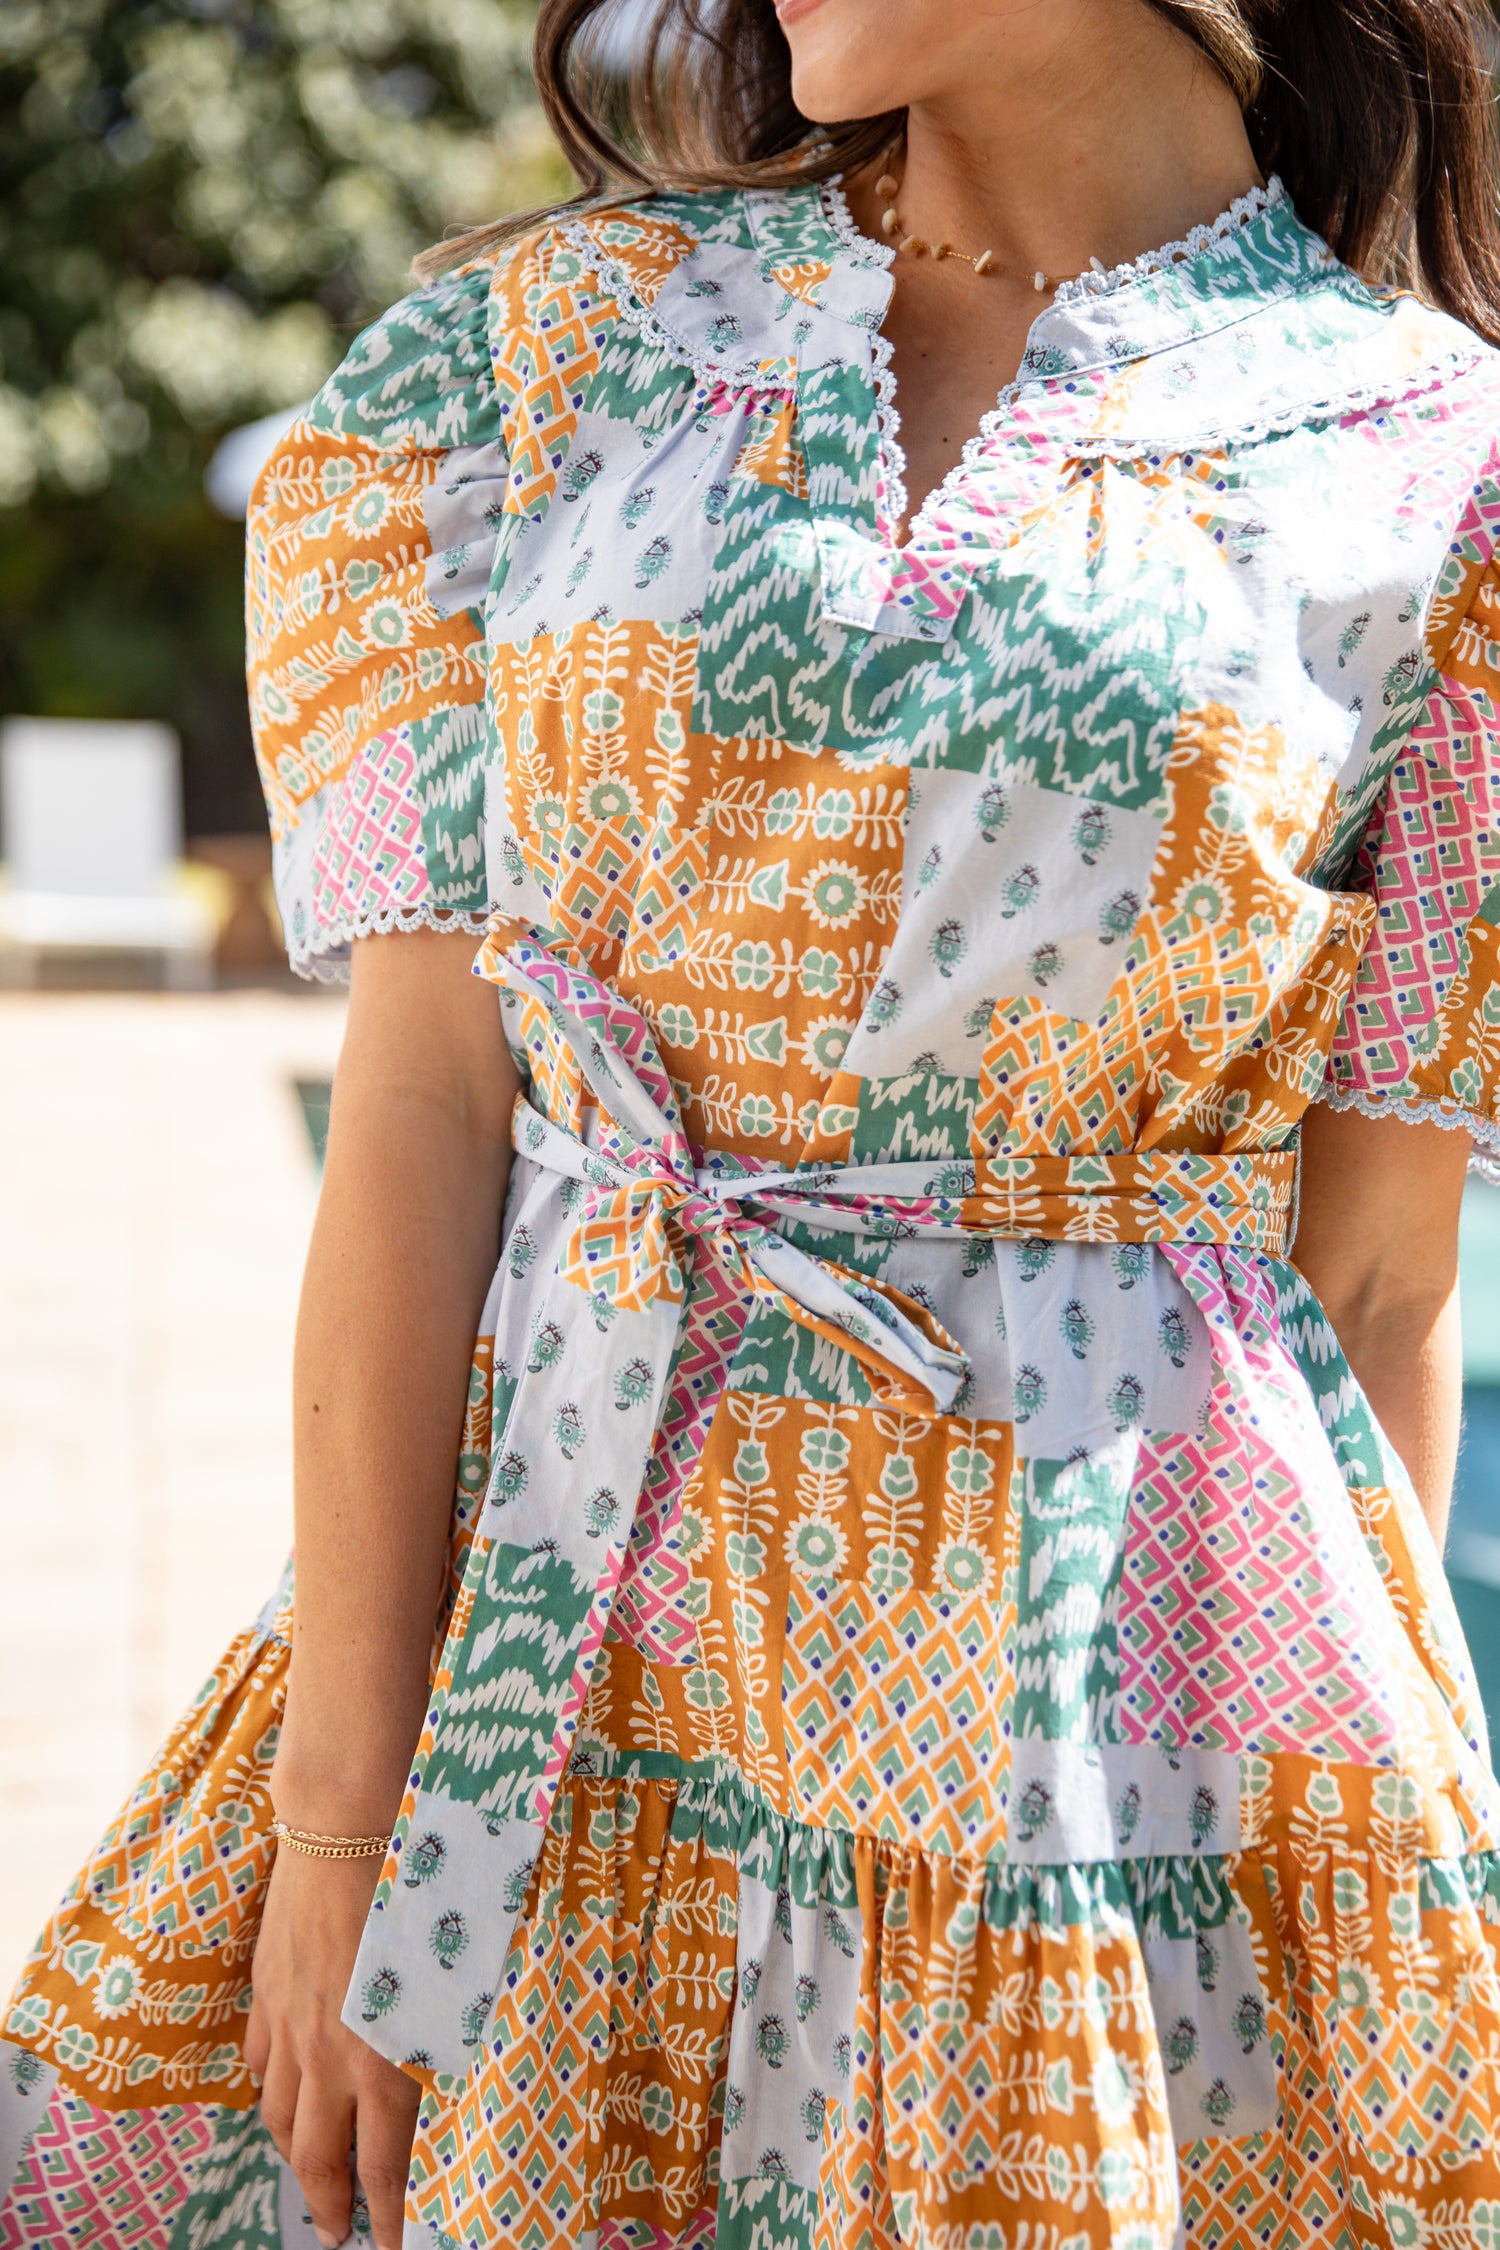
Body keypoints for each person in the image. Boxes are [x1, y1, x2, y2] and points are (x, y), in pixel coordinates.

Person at [8, 0, 1500, 2241]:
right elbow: (427, 1102)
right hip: (571, 1666)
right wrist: (339, 1817)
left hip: (1095, 1746)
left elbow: (1376, 1272)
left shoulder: (1439, 462)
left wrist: (1376, 1856)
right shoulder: (540, 354)